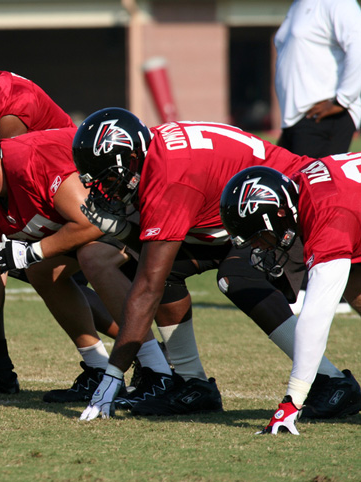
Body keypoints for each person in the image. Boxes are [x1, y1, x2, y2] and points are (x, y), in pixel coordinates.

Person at [73, 107, 360, 420]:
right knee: (164, 269)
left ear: (129, 159)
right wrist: (127, 231)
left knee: (235, 276)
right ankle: (192, 384)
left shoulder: (170, 175)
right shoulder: (152, 150)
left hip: (272, 210)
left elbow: (148, 286)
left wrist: (114, 373)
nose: (106, 188)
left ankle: (330, 380)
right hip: (239, 211)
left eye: (109, 177)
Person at [0, 18, 117, 401]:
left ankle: (142, 353)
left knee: (42, 269)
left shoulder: (12, 104)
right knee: (20, 268)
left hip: (65, 195)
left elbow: (4, 174)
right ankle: (0, 369)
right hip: (34, 196)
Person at [0, 118, 170, 408]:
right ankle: (98, 366)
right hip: (98, 210)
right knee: (42, 272)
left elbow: (92, 222)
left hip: (133, 196)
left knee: (87, 258)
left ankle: (157, 370)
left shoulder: (27, 165)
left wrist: (32, 251)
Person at [221, 162, 361, 434]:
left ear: (279, 213)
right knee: (354, 286)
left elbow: (315, 319)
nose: (259, 246)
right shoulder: (298, 186)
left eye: (258, 236)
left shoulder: (327, 213)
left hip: (341, 207)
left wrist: (292, 402)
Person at [275, 0, 361, 159]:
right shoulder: (297, 5)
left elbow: (358, 45)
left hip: (322, 117)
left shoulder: (338, 3)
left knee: (310, 183)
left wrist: (342, 100)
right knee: (284, 180)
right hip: (297, 120)